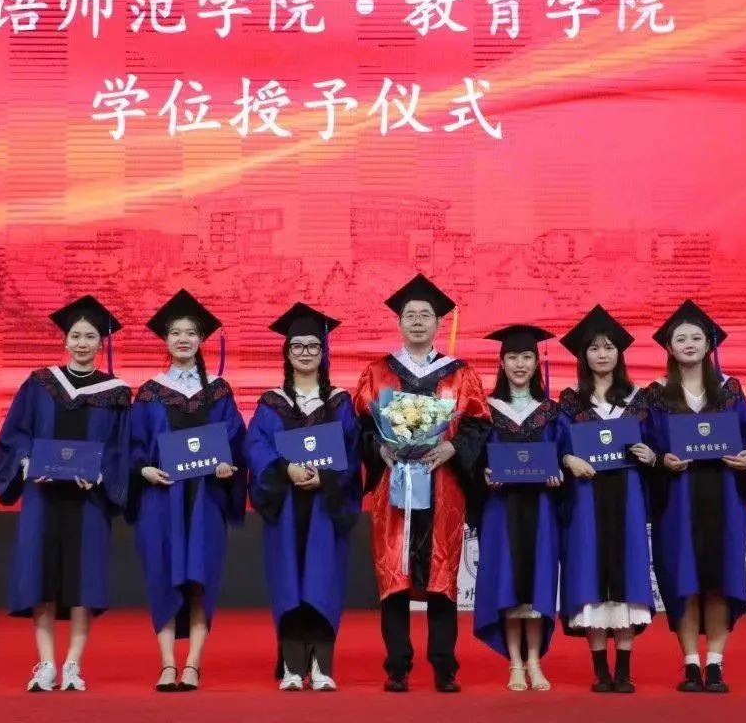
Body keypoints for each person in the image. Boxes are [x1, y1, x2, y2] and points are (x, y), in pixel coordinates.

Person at [352, 274, 490, 693]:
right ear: (398, 322)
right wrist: (378, 448)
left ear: (437, 323)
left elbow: (478, 424)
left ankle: (444, 666)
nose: (416, 321)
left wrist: (452, 448)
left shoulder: (460, 374)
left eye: (425, 315)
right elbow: (361, 426)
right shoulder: (377, 372)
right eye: (409, 314)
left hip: (443, 484)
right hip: (393, 486)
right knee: (393, 571)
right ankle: (397, 666)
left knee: (441, 575)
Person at [0, 295, 131, 692]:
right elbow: (16, 433)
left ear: (101, 342)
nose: (82, 343)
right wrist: (28, 463)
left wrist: (102, 475)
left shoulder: (116, 393)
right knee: (41, 575)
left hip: (89, 500)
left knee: (83, 578)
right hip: (43, 496)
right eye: (76, 336)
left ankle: (73, 664)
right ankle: (46, 664)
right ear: (65, 340)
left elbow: (121, 447)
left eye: (90, 336)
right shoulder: (40, 384)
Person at [644, 299, 746, 693]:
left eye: (696, 338)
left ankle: (714, 665)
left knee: (720, 579)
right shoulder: (656, 395)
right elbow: (646, 447)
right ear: (669, 347)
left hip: (725, 497)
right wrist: (662, 461)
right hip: (678, 500)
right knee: (683, 579)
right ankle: (690, 664)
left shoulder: (730, 391)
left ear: (708, 344)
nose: (689, 344)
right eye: (681, 338)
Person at [127, 290, 247, 692]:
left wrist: (229, 465)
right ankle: (167, 664)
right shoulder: (149, 392)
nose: (183, 339)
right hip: (161, 499)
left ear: (201, 339)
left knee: (200, 580)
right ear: (165, 339)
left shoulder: (219, 391)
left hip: (206, 499)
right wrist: (143, 469)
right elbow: (133, 445)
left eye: (191, 333)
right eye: (175, 332)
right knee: (163, 577)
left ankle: (192, 663)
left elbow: (235, 441)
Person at [245, 303, 362, 691]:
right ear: (287, 352)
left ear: (323, 352)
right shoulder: (271, 402)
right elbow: (256, 446)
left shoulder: (340, 402)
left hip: (326, 506)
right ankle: (293, 667)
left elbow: (352, 451)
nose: (306, 352)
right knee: (289, 582)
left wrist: (325, 476)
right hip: (286, 506)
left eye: (313, 346)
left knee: (322, 581)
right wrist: (286, 469)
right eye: (298, 346)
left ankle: (322, 667)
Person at [556, 306, 656, 693]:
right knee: (589, 572)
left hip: (628, 496)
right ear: (583, 355)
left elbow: (658, 445)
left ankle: (624, 670)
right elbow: (558, 447)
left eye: (609, 347)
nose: (602, 354)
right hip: (585, 496)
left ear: (619, 353)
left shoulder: (639, 400)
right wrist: (567, 459)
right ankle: (600, 670)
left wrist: (651, 455)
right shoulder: (570, 402)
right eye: (594, 348)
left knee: (627, 571)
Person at [473, 324, 562, 692]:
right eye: (512, 357)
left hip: (541, 507)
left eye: (527, 357)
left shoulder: (551, 412)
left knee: (537, 581)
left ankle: (535, 662)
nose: (520, 364)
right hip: (501, 507)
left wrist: (559, 472)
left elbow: (564, 453)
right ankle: (514, 664)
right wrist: (484, 474)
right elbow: (476, 459)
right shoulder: (486, 410)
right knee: (508, 582)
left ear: (536, 362)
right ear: (501, 362)